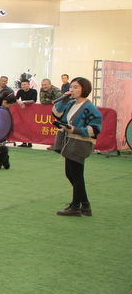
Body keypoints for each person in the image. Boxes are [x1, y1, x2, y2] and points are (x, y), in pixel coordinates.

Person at [51, 77, 102, 217]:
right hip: (70, 141)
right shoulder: (71, 103)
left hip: (80, 143)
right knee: (71, 174)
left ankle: (75, 206)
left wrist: (76, 130)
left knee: (76, 175)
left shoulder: (89, 107)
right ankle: (85, 206)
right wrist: (63, 100)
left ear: (84, 90)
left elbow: (95, 128)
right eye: (71, 87)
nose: (72, 89)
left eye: (76, 87)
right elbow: (57, 113)